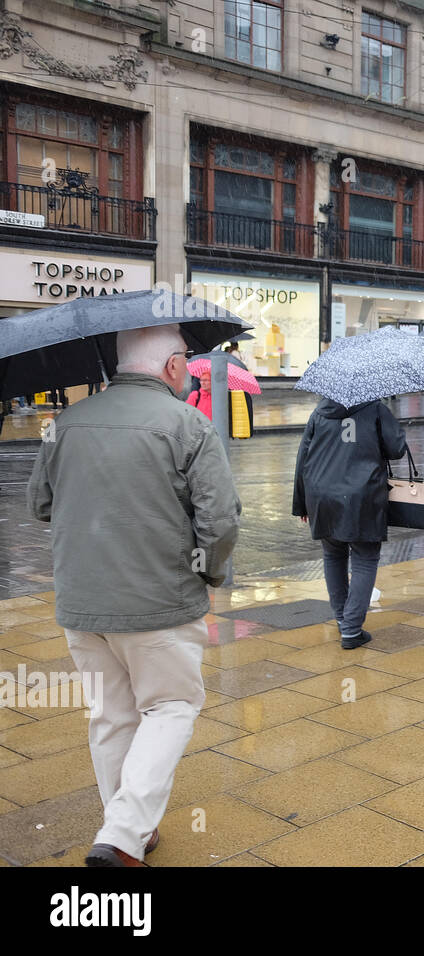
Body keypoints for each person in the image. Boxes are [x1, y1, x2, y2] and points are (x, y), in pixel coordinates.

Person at [27, 324, 241, 867]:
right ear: (172, 366)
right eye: (186, 361)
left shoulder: (63, 423)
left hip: (81, 599)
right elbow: (219, 522)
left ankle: (128, 830)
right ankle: (123, 836)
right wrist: (210, 576)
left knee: (111, 715)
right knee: (171, 706)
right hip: (159, 599)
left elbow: (40, 504)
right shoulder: (188, 424)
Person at [292, 389, 408, 650]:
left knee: (333, 555)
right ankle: (352, 629)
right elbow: (397, 448)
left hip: (322, 496)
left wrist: (301, 502)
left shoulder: (319, 412)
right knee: (365, 557)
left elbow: (303, 458)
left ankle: (344, 620)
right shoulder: (375, 408)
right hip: (362, 496)